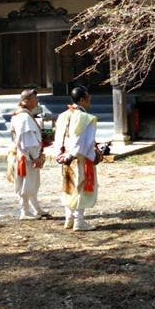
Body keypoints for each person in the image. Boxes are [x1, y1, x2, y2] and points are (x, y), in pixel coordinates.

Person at [54, 86, 98, 232]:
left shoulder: (63, 115)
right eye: (88, 97)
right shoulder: (85, 118)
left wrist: (61, 155)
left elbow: (58, 138)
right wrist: (91, 154)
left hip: (65, 156)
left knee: (69, 187)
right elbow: (82, 142)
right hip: (79, 157)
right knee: (81, 188)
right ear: (81, 100)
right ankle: (79, 221)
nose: (90, 99)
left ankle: (69, 218)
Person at [9, 88, 50, 220]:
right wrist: (35, 157)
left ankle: (36, 208)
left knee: (32, 183)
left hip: (25, 155)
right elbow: (27, 142)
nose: (37, 100)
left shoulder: (22, 115)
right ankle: (25, 211)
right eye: (34, 98)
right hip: (27, 156)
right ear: (26, 101)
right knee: (26, 184)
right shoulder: (24, 118)